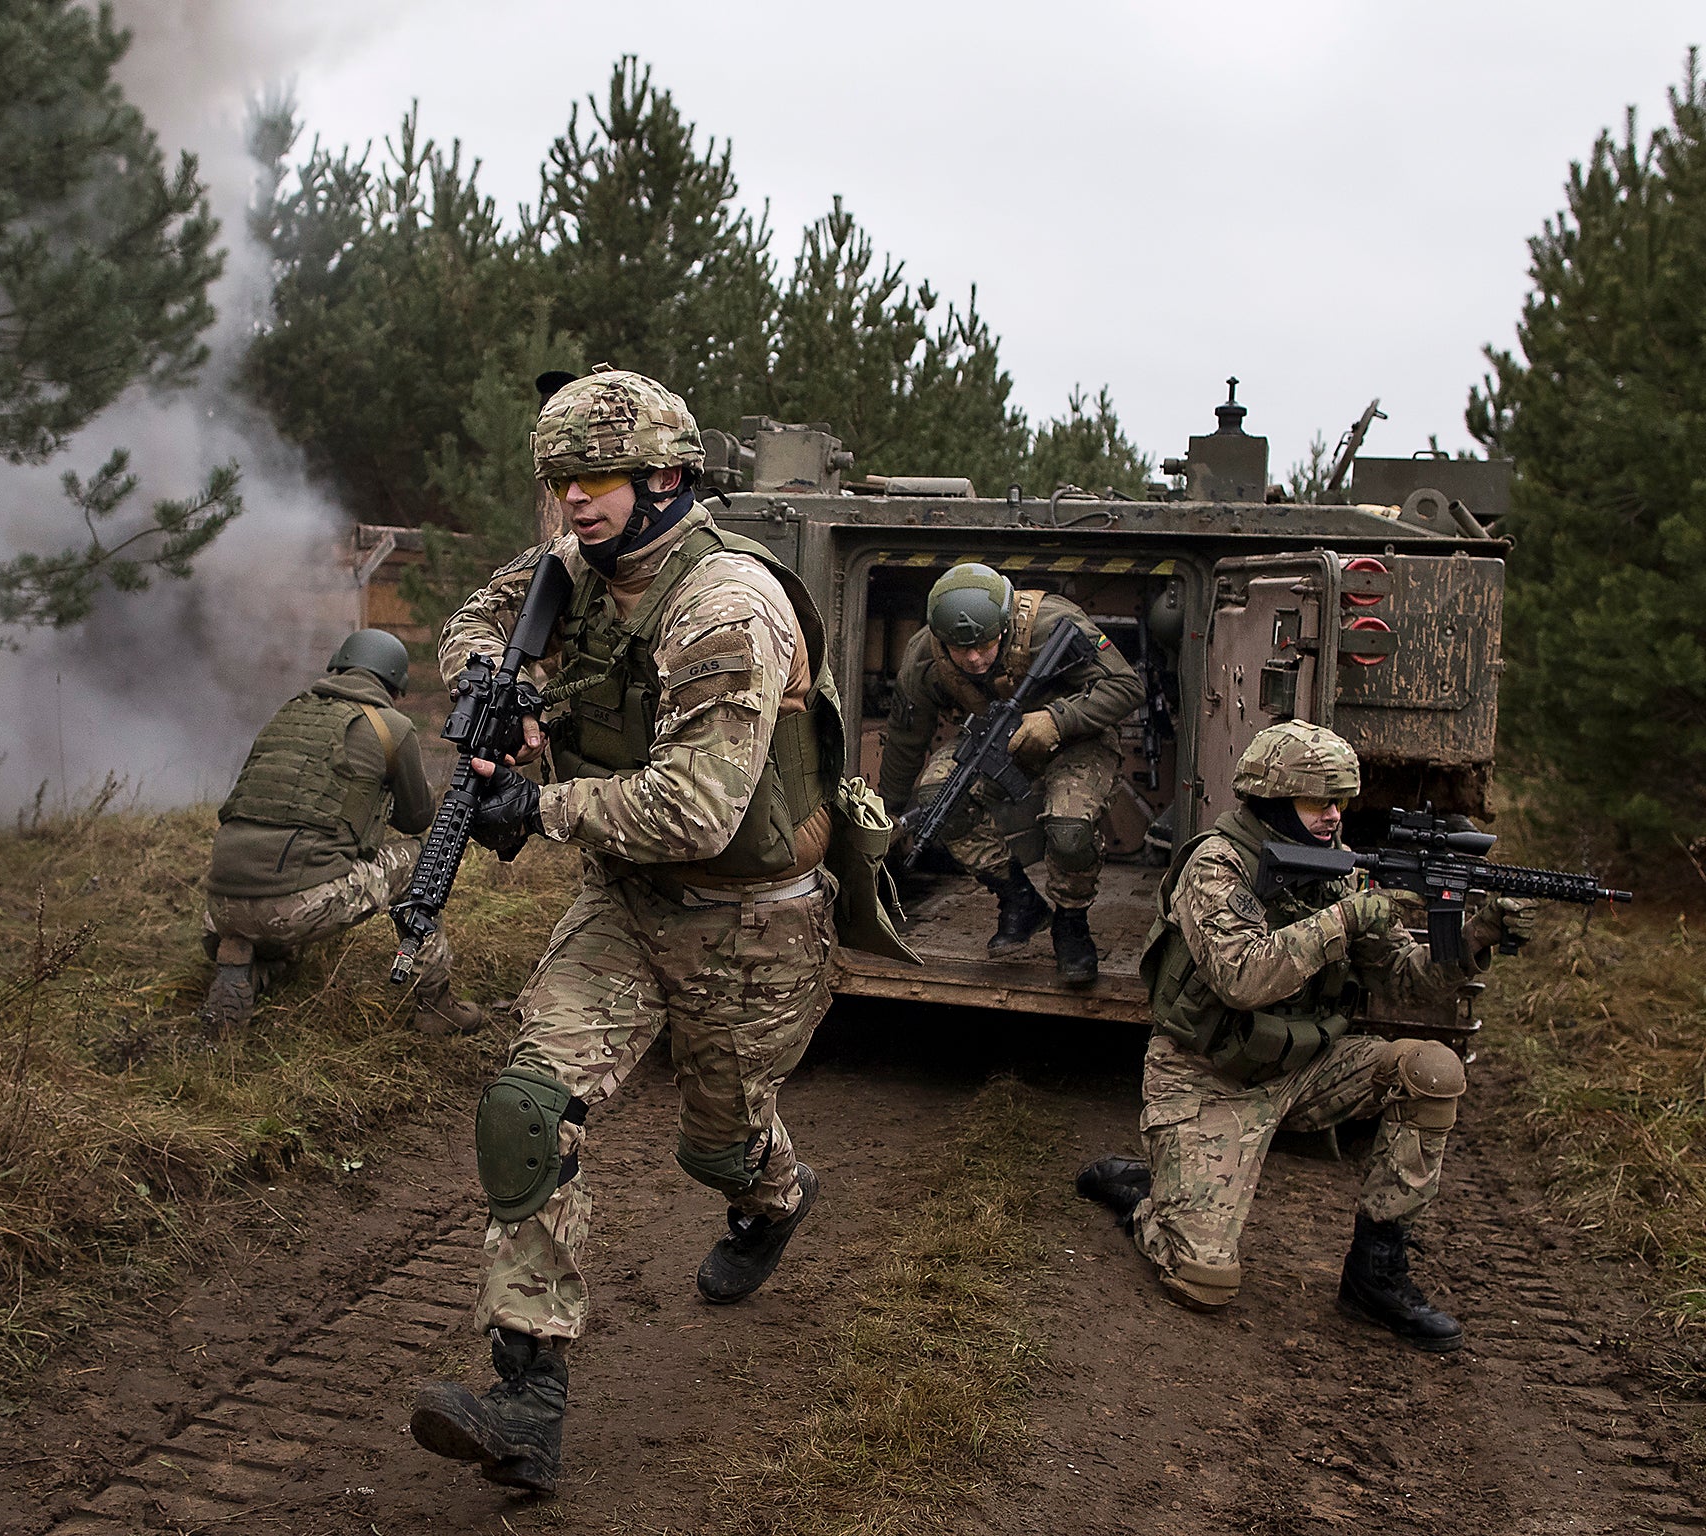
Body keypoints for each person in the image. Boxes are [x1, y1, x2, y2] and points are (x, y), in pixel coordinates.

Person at [408, 366, 842, 1495]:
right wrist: (488, 695)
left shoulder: (724, 605)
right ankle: (526, 1402)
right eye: (559, 482)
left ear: (665, 477)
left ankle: (773, 1193)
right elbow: (477, 617)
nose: (572, 504)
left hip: (748, 925)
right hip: (625, 902)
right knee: (524, 1107)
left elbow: (698, 807)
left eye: (593, 480)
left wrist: (537, 805)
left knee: (717, 1146)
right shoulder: (573, 563)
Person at [1076, 720, 1534, 1352]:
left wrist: (1476, 935)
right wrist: (1345, 919)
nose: (1334, 815)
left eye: (1342, 801)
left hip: (1306, 1063)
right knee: (1204, 1281)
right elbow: (1243, 978)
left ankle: (1376, 1273)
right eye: (1319, 801)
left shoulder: (1338, 867)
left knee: (1432, 1070)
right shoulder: (1216, 864)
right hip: (1212, 1074)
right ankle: (1146, 1200)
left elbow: (1405, 980)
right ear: (1271, 797)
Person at [200, 629, 485, 1036]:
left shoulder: (288, 712)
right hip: (298, 903)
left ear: (339, 666)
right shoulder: (391, 726)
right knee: (421, 858)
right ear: (394, 684)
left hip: (220, 902)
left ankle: (244, 960)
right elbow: (417, 819)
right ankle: (436, 1008)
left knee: (286, 875)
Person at [877, 561, 1144, 984]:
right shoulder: (923, 657)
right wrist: (886, 815)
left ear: (1003, 624)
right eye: (959, 649)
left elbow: (1127, 686)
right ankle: (1017, 897)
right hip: (998, 737)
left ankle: (1071, 923)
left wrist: (1057, 719)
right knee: (937, 799)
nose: (974, 658)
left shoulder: (1053, 623)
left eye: (984, 645)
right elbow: (906, 738)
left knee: (1070, 827)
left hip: (1078, 738)